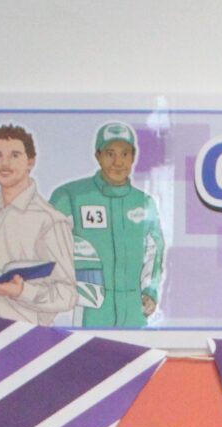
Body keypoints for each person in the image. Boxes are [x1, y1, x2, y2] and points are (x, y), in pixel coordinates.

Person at [49, 121, 166, 329]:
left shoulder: (144, 203)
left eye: (124, 154)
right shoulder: (71, 196)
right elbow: (46, 243)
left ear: (133, 156)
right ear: (98, 156)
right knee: (85, 359)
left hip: (133, 308)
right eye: (110, 153)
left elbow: (154, 252)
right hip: (89, 306)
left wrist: (149, 292)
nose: (117, 162)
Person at [0, 123, 79, 327]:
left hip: (26, 339)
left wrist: (21, 292)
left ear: (31, 162)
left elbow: (68, 294)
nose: (5, 163)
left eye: (15, 155)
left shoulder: (50, 220)